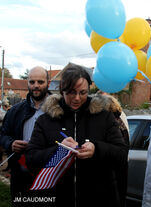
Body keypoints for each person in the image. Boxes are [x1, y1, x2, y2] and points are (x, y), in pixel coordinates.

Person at [25, 65, 129, 207]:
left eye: (83, 92)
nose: (77, 98)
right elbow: (31, 158)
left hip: (99, 199)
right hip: (57, 198)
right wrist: (58, 151)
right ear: (62, 90)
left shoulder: (104, 117)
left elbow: (122, 154)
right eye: (71, 93)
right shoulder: (46, 120)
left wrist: (97, 149)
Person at [0, 66, 50, 206]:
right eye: (32, 82)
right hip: (21, 175)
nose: (36, 86)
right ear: (27, 82)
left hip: (48, 175)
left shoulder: (58, 110)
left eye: (40, 82)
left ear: (48, 83)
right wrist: (11, 143)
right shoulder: (15, 111)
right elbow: (3, 135)